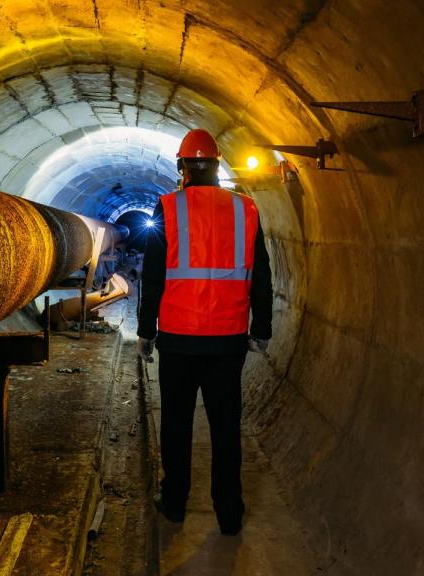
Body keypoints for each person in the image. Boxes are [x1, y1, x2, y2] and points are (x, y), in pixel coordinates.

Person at [136, 128, 273, 536]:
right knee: (226, 427)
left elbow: (154, 275)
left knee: (176, 424)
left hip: (178, 338)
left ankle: (175, 503)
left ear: (182, 167)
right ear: (216, 165)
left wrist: (146, 329)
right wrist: (261, 327)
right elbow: (261, 275)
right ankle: (229, 511)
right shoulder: (246, 209)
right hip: (228, 340)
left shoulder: (168, 207)